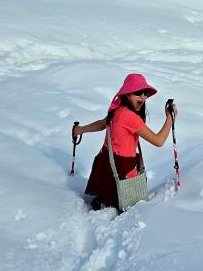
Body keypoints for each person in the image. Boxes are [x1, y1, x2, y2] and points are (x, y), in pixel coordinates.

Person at [74, 73, 177, 210]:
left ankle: (103, 201)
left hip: (105, 162)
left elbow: (101, 124)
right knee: (125, 201)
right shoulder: (129, 116)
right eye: (138, 92)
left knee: (107, 198)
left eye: (145, 93)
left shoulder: (116, 110)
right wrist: (170, 117)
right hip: (122, 168)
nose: (143, 96)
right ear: (127, 94)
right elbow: (159, 141)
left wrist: (80, 130)